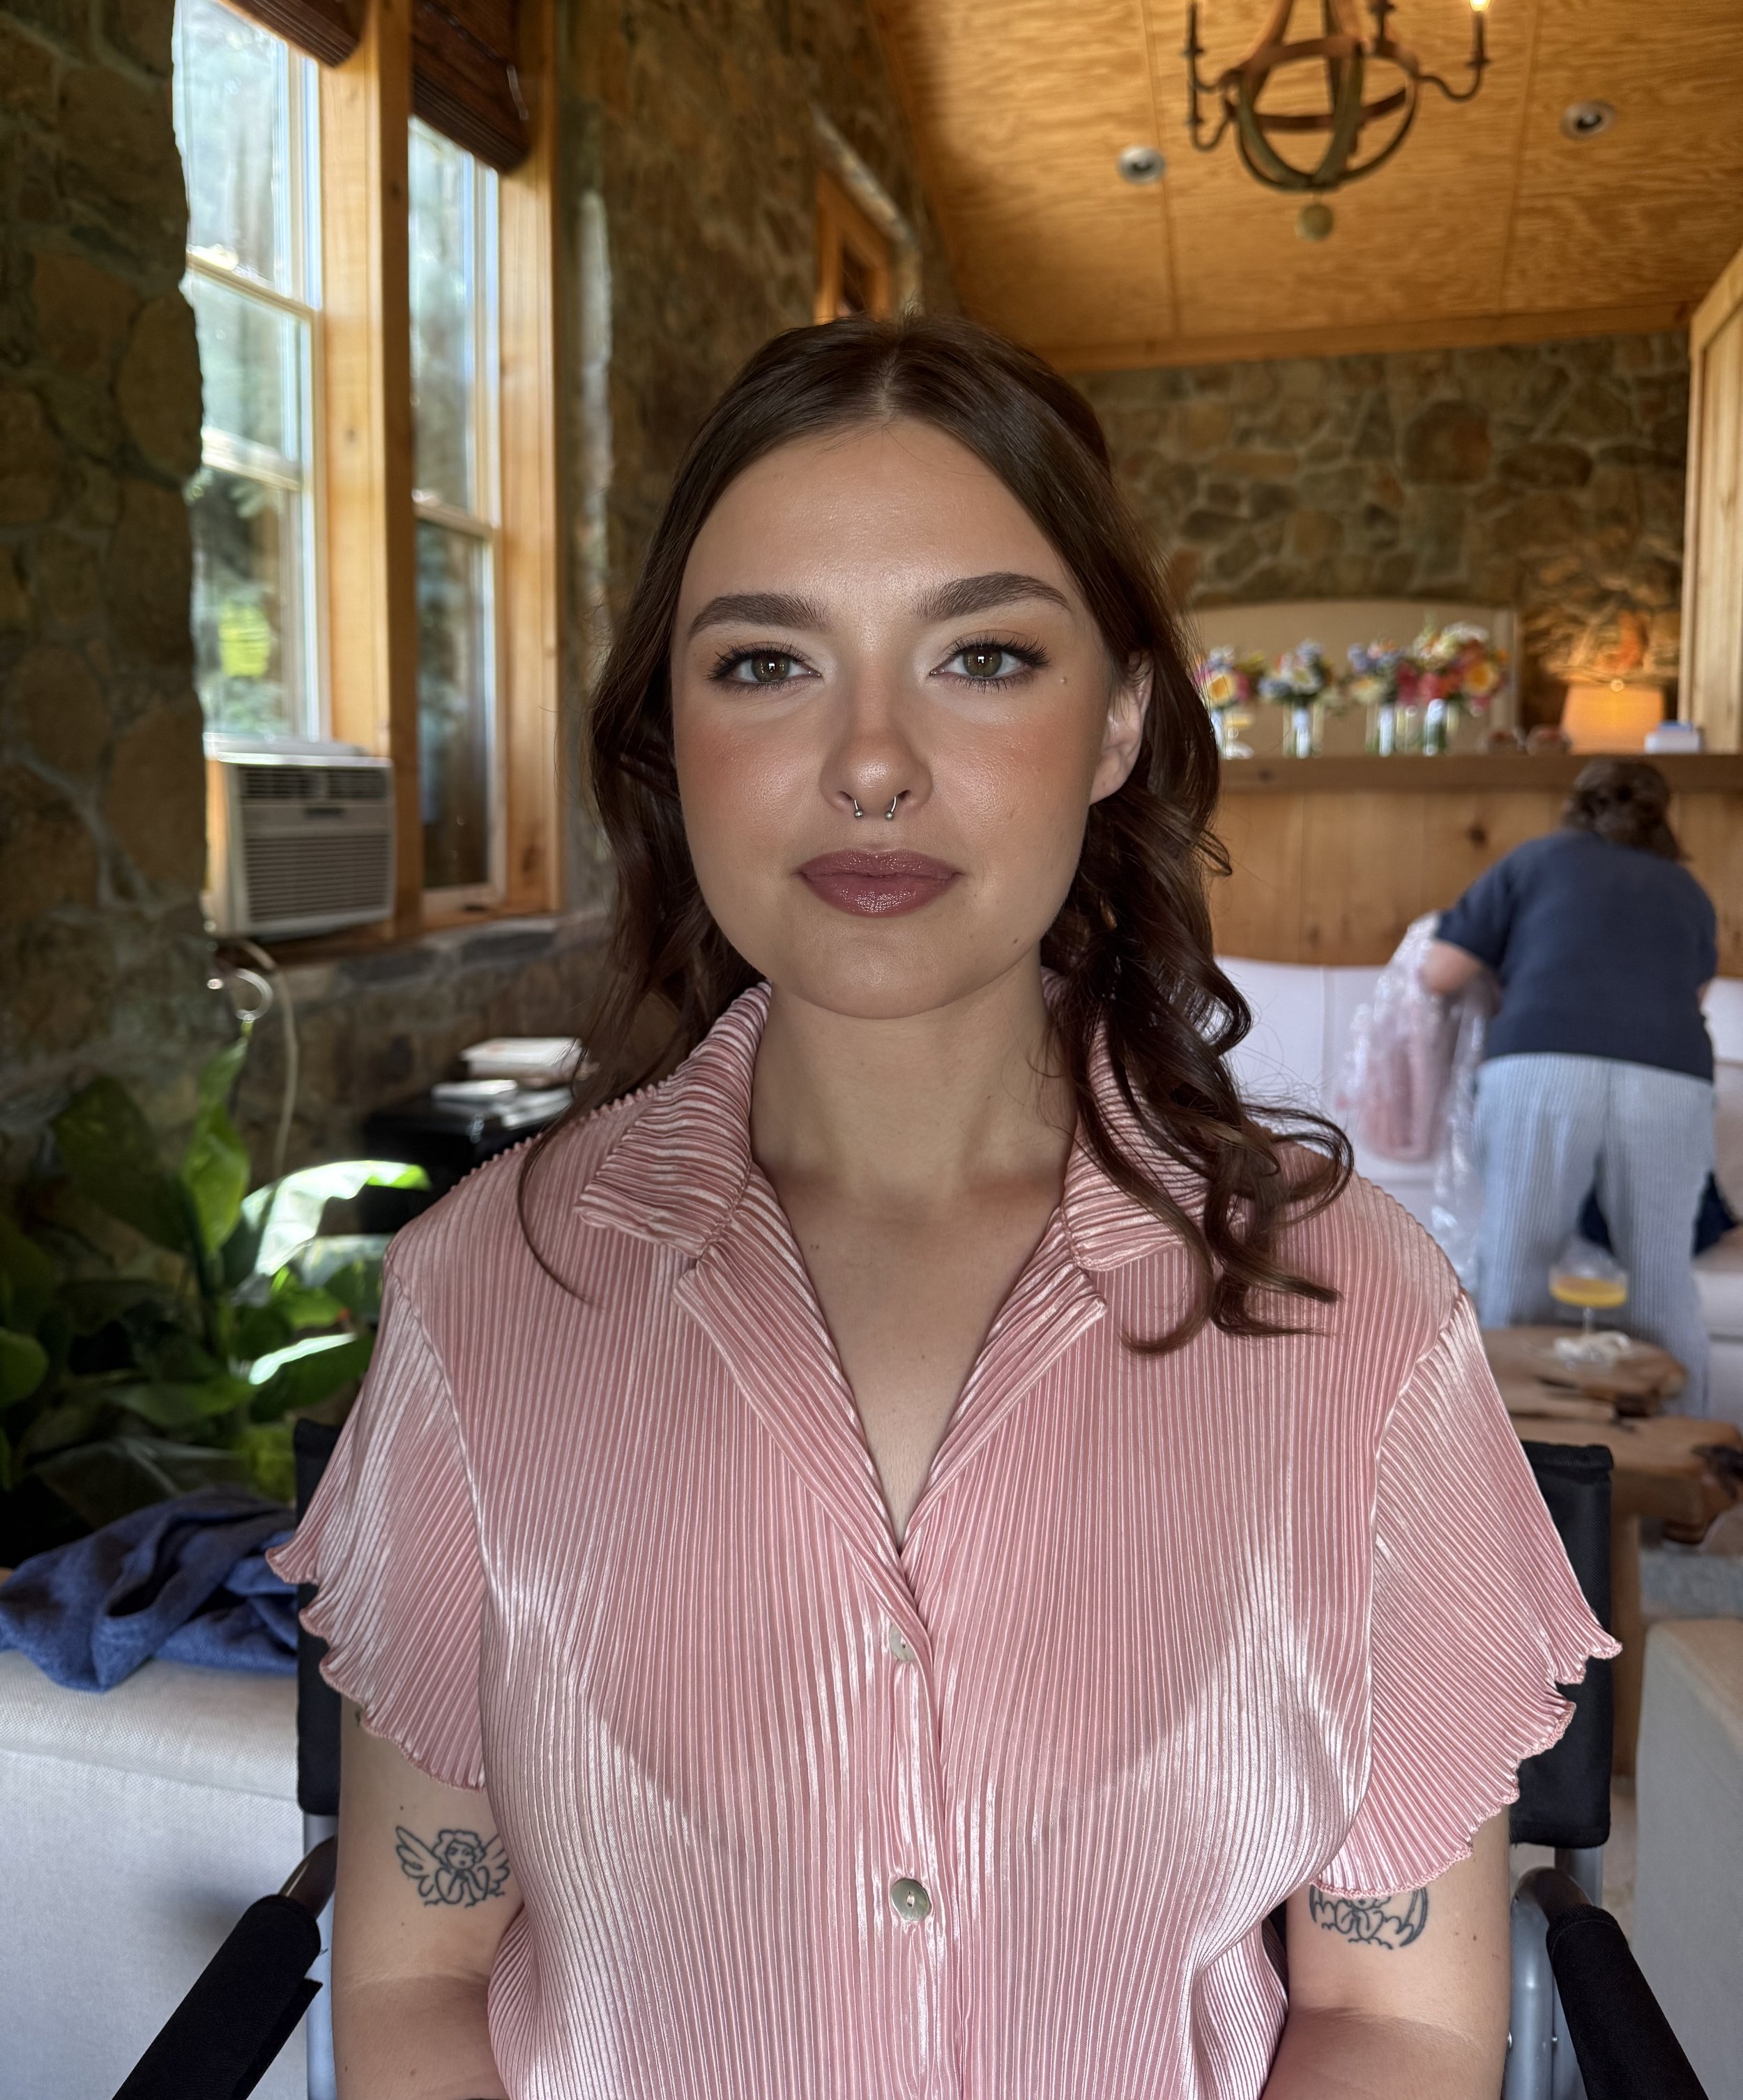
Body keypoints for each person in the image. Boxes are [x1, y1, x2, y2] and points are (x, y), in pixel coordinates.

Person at [275, 316, 1612, 2100]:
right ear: (669, 733)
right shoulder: (483, 1294)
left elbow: (1394, 2013)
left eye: (982, 654)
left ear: (1120, 718)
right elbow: (422, 1975)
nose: (875, 761)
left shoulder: (1356, 1315)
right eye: (765, 663)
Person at [1422, 756, 1718, 1410]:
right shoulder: (1687, 890)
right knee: (1661, 1279)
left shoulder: (1534, 862)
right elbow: (1694, 993)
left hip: (1542, 1064)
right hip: (1670, 1076)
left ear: (1575, 806)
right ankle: (1688, 1466)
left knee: (1516, 1263)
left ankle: (1502, 1461)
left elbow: (1439, 972)